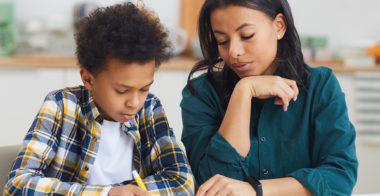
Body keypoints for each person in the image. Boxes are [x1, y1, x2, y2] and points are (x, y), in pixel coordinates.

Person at [4, 3, 194, 196]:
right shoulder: (61, 106)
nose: (135, 102)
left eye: (144, 89)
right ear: (88, 79)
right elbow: (18, 184)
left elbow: (182, 183)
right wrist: (107, 193)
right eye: (122, 90)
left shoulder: (150, 108)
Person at [180, 0, 358, 195]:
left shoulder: (321, 85)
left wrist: (255, 190)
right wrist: (244, 91)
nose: (233, 52)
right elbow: (213, 186)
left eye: (247, 36)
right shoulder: (200, 93)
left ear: (279, 26)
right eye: (222, 41)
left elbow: (340, 176)